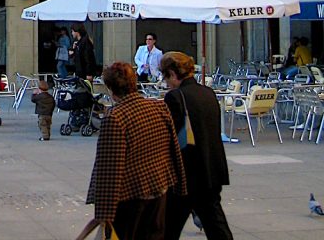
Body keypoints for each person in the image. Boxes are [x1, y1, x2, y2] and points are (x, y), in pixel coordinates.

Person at [86, 61, 186, 240]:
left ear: (110, 88)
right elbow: (174, 150)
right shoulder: (159, 107)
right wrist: (180, 185)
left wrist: (104, 214)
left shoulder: (115, 117)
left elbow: (109, 169)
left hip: (130, 197)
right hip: (160, 189)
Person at [160, 51, 234, 240]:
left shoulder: (175, 97)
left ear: (173, 73)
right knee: (216, 225)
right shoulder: (208, 93)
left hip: (186, 173)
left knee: (167, 227)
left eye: (166, 77)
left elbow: (171, 138)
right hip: (211, 170)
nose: (165, 82)